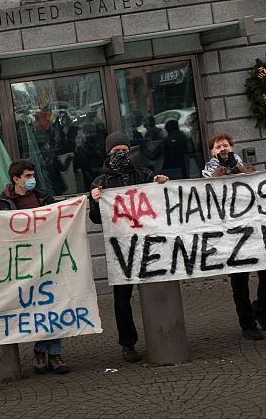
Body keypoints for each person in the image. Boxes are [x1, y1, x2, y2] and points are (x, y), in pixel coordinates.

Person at [89, 132, 169, 363]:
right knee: (122, 300)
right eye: (116, 151)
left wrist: (160, 183)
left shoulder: (144, 175)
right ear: (108, 153)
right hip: (121, 249)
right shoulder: (100, 183)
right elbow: (96, 219)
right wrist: (95, 201)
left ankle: (162, 334)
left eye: (125, 150)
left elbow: (160, 199)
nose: (121, 154)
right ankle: (128, 343)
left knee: (157, 290)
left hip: (148, 245)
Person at [0, 160, 64, 373]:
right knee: (35, 307)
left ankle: (54, 353)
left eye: (33, 175)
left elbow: (59, 213)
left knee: (52, 305)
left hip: (48, 257)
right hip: (23, 262)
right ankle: (42, 352)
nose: (32, 179)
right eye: (28, 176)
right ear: (16, 179)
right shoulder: (3, 202)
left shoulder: (42, 196)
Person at [202, 133, 266, 340]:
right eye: (218, 147)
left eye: (226, 145)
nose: (223, 149)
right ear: (212, 152)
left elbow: (256, 179)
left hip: (254, 229)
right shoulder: (208, 170)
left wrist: (236, 166)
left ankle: (261, 308)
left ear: (233, 147)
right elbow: (207, 187)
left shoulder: (242, 164)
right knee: (239, 281)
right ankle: (247, 324)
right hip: (231, 235)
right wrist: (222, 167)